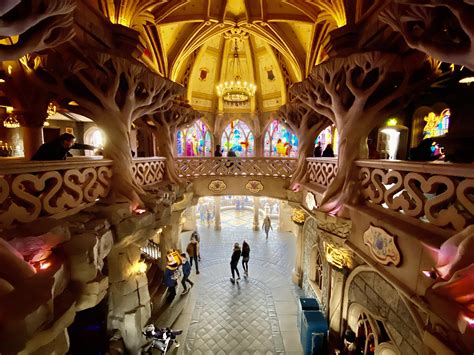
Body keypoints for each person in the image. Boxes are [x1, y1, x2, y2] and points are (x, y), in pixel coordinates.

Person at [31, 133, 96, 160]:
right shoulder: (52, 146)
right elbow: (58, 158)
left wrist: (93, 148)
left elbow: (80, 146)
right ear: (65, 141)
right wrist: (67, 152)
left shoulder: (65, 145)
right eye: (72, 142)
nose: (73, 144)